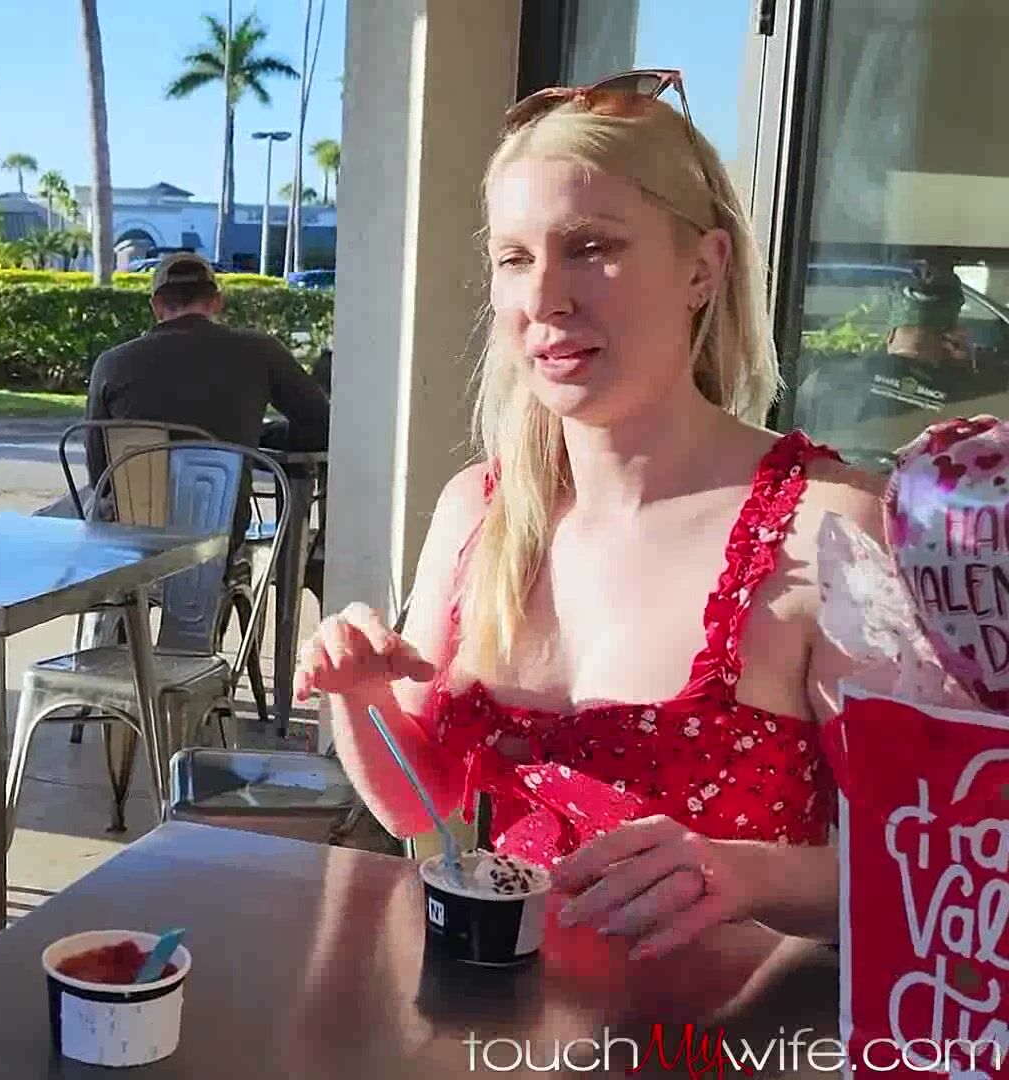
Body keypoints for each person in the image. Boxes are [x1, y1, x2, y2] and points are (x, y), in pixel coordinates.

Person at [294, 70, 881, 962]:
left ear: (703, 267)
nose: (545, 299)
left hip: (734, 1027)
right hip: (503, 1016)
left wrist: (744, 875)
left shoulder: (832, 527)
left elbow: (937, 870)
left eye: (592, 246)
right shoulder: (478, 512)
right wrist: (361, 693)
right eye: (514, 258)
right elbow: (420, 804)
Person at [84, 251, 330, 474]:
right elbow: (323, 424)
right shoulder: (261, 351)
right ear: (217, 301)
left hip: (133, 509)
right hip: (225, 509)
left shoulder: (110, 365)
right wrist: (259, 435)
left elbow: (98, 469)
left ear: (156, 307)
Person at [792, 264, 987, 470]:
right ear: (952, 338)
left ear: (890, 335)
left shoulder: (827, 378)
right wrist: (968, 373)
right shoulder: (967, 404)